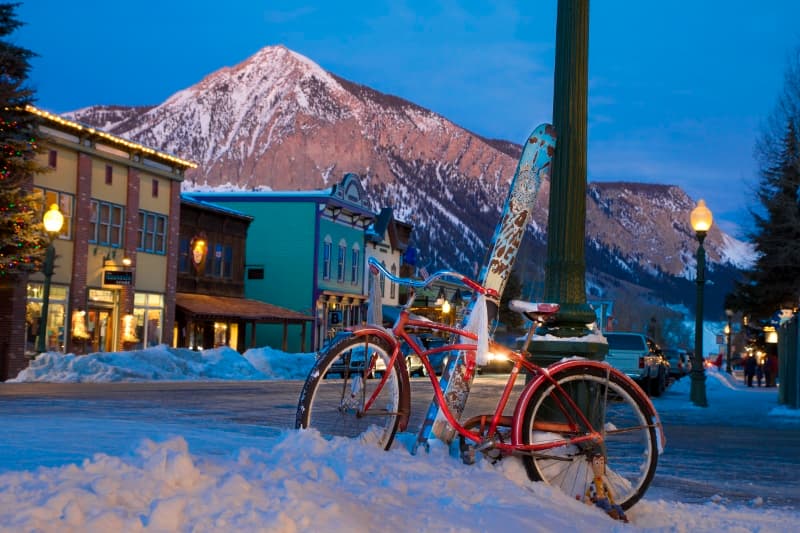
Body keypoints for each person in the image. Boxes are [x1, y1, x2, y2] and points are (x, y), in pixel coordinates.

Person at [584, 454, 628, 522]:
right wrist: (588, 500)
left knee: (616, 506)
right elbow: (588, 493)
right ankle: (610, 512)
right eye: (597, 463)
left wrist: (612, 501)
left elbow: (608, 493)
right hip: (598, 501)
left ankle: (622, 516)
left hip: (606, 501)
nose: (599, 466)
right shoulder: (593, 484)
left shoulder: (603, 483)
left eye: (602, 463)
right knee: (605, 500)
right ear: (592, 466)